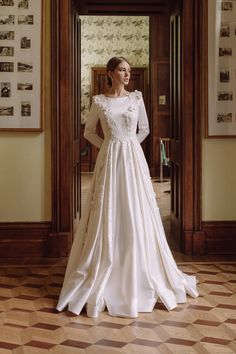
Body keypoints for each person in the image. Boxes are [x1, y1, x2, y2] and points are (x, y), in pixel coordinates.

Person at [56, 56, 198, 318]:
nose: (127, 74)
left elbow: (144, 129)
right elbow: (88, 132)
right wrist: (109, 145)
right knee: (109, 208)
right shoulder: (99, 101)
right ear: (110, 73)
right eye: (122, 70)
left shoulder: (137, 98)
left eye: (129, 70)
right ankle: (104, 267)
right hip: (109, 159)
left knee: (136, 208)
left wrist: (128, 144)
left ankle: (140, 268)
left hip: (132, 159)